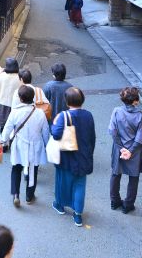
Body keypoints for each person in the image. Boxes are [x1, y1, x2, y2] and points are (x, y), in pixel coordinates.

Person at [51, 87, 96, 227]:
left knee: (62, 183)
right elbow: (92, 137)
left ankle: (60, 205)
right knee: (79, 185)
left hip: (66, 158)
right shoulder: (88, 115)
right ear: (82, 100)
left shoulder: (63, 116)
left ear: (66, 101)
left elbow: (56, 134)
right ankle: (77, 215)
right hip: (83, 157)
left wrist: (53, 124)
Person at [0, 85, 50, 207]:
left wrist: (2, 141)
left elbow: (7, 130)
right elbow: (45, 131)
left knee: (16, 169)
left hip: (19, 145)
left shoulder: (15, 112)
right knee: (33, 171)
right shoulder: (40, 113)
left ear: (20, 98)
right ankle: (29, 196)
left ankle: (16, 195)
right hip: (35, 145)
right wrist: (46, 145)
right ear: (33, 98)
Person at [108, 87, 142, 214]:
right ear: (135, 101)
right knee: (133, 176)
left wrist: (121, 148)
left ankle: (114, 201)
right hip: (135, 150)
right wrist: (130, 150)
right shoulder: (140, 115)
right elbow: (141, 135)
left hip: (119, 148)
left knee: (115, 173)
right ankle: (128, 204)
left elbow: (113, 131)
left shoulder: (116, 111)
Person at [0, 57, 22, 133]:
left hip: (3, 103)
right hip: (16, 104)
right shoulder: (19, 77)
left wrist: (0, 73)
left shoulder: (1, 76)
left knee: (4, 125)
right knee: (15, 125)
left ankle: (3, 141)